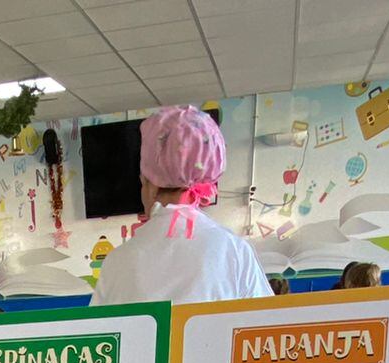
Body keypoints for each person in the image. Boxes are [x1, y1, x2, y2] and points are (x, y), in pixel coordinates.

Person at [92, 105, 265, 307]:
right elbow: (264, 328)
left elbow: (99, 333)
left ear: (150, 184)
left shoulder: (117, 262)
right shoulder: (235, 252)